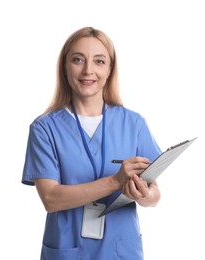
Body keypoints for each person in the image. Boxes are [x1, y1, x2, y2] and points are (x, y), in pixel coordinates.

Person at [22, 26, 162, 260]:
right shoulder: (44, 128)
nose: (88, 71)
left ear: (109, 69)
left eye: (99, 61)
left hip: (121, 250)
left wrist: (144, 195)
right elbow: (51, 199)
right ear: (65, 67)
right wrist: (116, 181)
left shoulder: (133, 123)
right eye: (78, 60)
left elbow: (155, 192)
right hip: (69, 250)